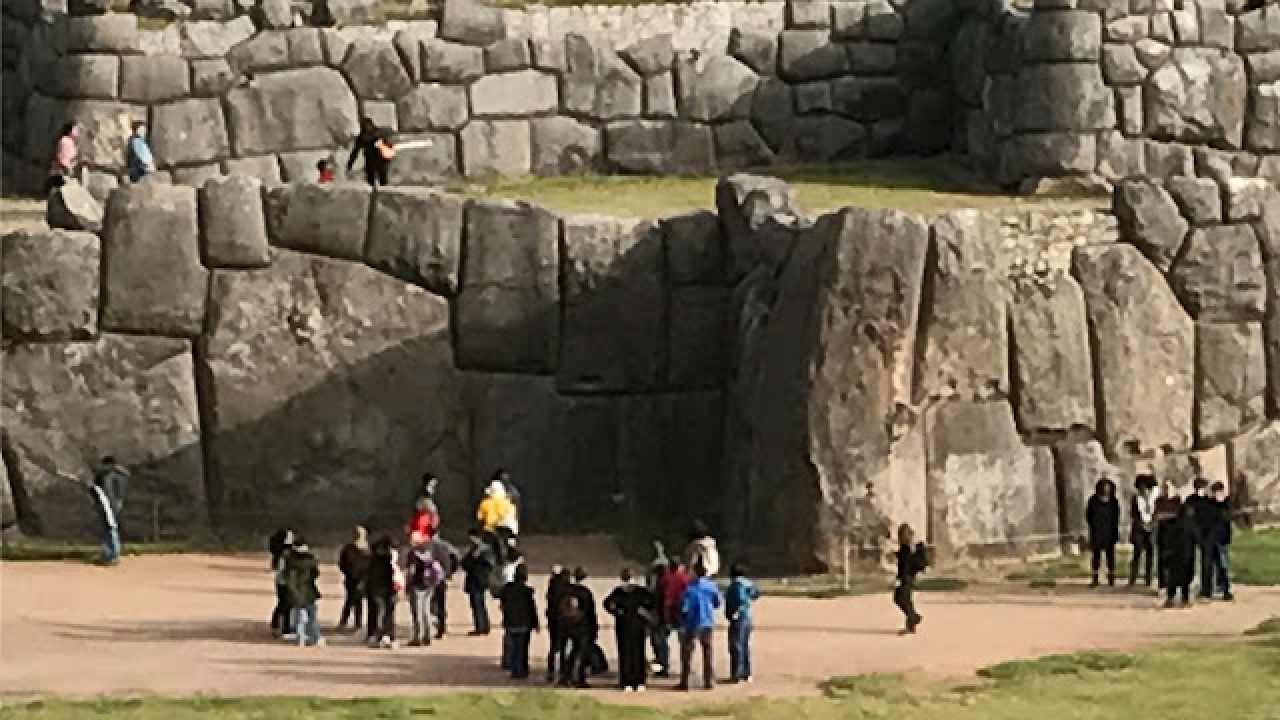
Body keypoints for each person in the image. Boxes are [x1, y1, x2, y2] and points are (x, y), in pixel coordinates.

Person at [604, 568, 655, 692]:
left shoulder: (621, 592)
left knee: (629, 653)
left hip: (628, 625)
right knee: (635, 653)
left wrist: (617, 611)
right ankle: (635, 681)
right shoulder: (638, 591)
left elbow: (607, 604)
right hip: (633, 625)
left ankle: (630, 681)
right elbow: (652, 603)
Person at [677, 561, 721, 691]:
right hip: (707, 621)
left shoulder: (690, 588)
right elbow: (717, 602)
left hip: (692, 622)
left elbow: (684, 607)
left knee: (687, 652)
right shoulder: (711, 586)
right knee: (707, 652)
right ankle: (708, 680)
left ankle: (685, 681)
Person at [499, 564, 539, 679]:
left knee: (513, 646)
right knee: (522, 648)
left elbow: (501, 601)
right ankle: (521, 668)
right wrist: (535, 623)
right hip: (524, 623)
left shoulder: (507, 589)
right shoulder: (527, 592)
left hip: (510, 621)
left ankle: (514, 668)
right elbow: (531, 608)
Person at [560, 566, 599, 688]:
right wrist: (594, 628)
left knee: (572, 652)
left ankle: (566, 676)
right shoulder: (585, 592)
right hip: (583, 626)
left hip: (569, 626)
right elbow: (590, 612)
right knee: (581, 653)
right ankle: (578, 677)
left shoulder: (567, 591)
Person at [405, 532, 444, 646]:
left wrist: (408, 584)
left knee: (417, 611)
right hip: (429, 584)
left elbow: (411, 571)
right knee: (426, 610)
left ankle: (418, 636)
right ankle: (428, 634)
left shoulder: (413, 553)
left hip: (417, 584)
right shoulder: (428, 551)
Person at [284, 536, 323, 647]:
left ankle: (301, 637)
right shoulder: (311, 560)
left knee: (299, 616)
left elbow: (289, 580)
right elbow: (316, 574)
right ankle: (313, 636)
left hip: (297, 592)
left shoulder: (290, 560)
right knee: (311, 616)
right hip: (309, 591)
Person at [725, 562, 760, 683]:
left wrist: (737, 609)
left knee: (736, 646)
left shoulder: (736, 584)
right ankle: (746, 672)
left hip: (738, 617)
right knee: (744, 645)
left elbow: (740, 599)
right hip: (747, 617)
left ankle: (737, 674)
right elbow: (756, 594)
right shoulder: (748, 583)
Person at [656, 557, 690, 678]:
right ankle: (686, 669)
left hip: (667, 613)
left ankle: (664, 667)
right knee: (684, 643)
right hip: (681, 613)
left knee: (662, 642)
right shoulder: (685, 578)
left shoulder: (664, 578)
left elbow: (659, 595)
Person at [1186, 477, 1219, 599]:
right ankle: (1187, 586)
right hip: (1193, 533)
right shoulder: (1190, 500)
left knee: (1207, 562)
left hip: (1208, 534)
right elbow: (1188, 517)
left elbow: (1216, 517)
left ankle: (1206, 588)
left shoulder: (1210, 501)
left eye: (1203, 487)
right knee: (1189, 560)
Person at [1158, 502, 1195, 608]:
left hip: (1173, 555)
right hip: (1186, 556)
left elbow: (1163, 538)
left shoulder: (1170, 524)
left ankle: (1170, 599)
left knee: (1173, 578)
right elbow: (1197, 539)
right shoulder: (1191, 526)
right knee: (1185, 579)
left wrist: (1165, 552)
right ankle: (1185, 599)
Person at [365, 534, 400, 648]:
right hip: (389, 588)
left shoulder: (374, 558)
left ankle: (376, 635)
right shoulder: (392, 559)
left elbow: (369, 574)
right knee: (388, 613)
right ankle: (388, 635)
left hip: (376, 588)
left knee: (376, 613)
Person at [1085, 478, 1121, 588]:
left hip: (1110, 530)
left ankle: (1111, 577)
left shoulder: (1113, 501)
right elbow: (1088, 515)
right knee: (1096, 555)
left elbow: (1116, 516)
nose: (1106, 490)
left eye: (1108, 488)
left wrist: (1113, 528)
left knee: (1110, 555)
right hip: (1096, 531)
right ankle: (1095, 578)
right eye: (1104, 487)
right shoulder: (1093, 500)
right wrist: (1094, 525)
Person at [893, 524, 927, 634]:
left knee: (902, 598)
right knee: (902, 599)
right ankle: (912, 622)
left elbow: (917, 562)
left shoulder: (914, 547)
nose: (900, 537)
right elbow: (903, 561)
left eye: (902, 534)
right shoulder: (904, 547)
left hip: (908, 577)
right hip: (904, 576)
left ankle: (913, 618)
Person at [461, 529, 496, 636]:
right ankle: (483, 626)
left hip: (478, 581)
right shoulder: (474, 550)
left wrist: (474, 556)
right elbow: (464, 564)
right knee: (479, 604)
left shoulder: (483, 551)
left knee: (478, 604)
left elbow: (488, 566)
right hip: (476, 581)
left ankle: (481, 627)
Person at [426, 534, 461, 639]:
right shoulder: (446, 545)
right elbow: (456, 557)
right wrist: (450, 572)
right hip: (442, 577)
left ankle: (432, 627)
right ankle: (442, 628)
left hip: (428, 578)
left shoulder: (425, 545)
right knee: (441, 604)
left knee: (430, 604)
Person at [337, 525, 371, 631]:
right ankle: (348, 622)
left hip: (361, 579)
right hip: (352, 578)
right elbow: (342, 564)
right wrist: (348, 572)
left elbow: (370, 566)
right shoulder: (349, 548)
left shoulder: (367, 550)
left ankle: (356, 623)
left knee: (356, 601)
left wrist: (364, 577)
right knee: (351, 600)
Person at [346, 116, 395, 187]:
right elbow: (355, 152)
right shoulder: (362, 137)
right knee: (372, 181)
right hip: (371, 161)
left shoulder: (379, 134)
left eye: (368, 126)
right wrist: (349, 165)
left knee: (382, 180)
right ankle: (376, 190)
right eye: (365, 126)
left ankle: (381, 190)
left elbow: (389, 145)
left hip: (380, 160)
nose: (367, 128)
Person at [1153, 480, 1183, 590]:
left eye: (1169, 487)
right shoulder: (1159, 500)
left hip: (1175, 534)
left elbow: (1179, 516)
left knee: (1174, 560)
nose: (1167, 489)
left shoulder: (1177, 500)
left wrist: (1165, 516)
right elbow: (1157, 516)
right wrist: (1171, 516)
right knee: (1161, 559)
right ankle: (1162, 584)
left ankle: (1173, 583)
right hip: (1162, 532)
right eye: (1165, 487)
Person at [545, 565, 572, 684]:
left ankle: (551, 670)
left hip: (553, 620)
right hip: (563, 621)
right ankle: (563, 671)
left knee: (554, 646)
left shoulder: (552, 587)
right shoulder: (566, 589)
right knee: (564, 647)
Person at [1129, 475, 1157, 587]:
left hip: (1152, 528)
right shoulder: (1136, 498)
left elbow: (1157, 513)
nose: (1143, 489)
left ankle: (1148, 579)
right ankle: (1133, 578)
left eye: (1145, 486)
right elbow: (1133, 514)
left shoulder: (1155, 498)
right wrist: (1141, 524)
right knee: (1137, 553)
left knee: (1150, 554)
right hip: (1139, 528)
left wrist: (1152, 524)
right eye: (1141, 486)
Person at [88, 471, 121, 566]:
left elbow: (95, 492)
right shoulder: (102, 491)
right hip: (108, 516)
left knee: (111, 536)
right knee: (109, 536)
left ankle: (111, 557)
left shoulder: (98, 490)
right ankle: (108, 556)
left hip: (108, 517)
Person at [1208, 482, 1234, 601]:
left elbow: (1227, 520)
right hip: (1211, 538)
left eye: (1218, 492)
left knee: (1223, 564)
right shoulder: (1210, 505)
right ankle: (1215, 587)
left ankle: (1226, 589)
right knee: (1214, 565)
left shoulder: (1225, 505)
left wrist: (1228, 538)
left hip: (1222, 539)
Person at [268, 529, 294, 636]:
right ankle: (283, 627)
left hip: (280, 581)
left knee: (284, 604)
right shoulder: (284, 554)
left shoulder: (280, 553)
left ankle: (281, 626)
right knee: (286, 604)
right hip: (285, 582)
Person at [92, 456, 129, 520]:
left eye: (112, 465)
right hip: (107, 498)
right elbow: (96, 488)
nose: (111, 467)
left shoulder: (116, 472)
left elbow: (127, 474)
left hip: (116, 498)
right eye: (110, 465)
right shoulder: (100, 474)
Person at [47, 122, 78, 192]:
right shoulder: (65, 141)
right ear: (70, 131)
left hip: (64, 172)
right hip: (61, 173)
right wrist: (67, 169)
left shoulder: (70, 141)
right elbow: (62, 157)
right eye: (75, 129)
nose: (77, 132)